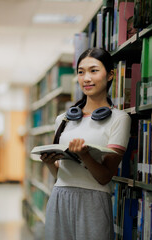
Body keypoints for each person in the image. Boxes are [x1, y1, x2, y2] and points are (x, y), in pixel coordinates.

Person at [40, 48, 131, 240]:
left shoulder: (119, 119)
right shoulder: (63, 119)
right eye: (81, 72)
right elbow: (62, 175)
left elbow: (105, 177)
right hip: (59, 197)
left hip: (93, 201)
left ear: (110, 75)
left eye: (94, 70)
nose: (86, 78)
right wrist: (49, 162)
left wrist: (85, 155)